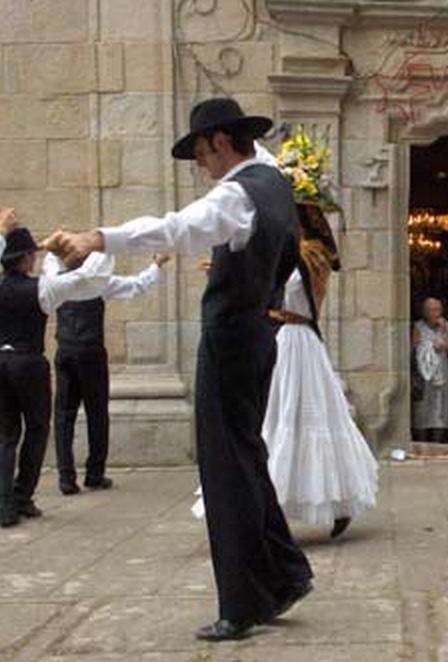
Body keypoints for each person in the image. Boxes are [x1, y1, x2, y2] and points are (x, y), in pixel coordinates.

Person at [48, 98, 313, 641]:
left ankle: (240, 605)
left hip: (234, 337)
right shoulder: (277, 182)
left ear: (218, 142)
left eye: (200, 155)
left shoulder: (239, 191)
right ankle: (284, 575)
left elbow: (178, 227)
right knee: (245, 456)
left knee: (224, 467)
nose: (201, 167)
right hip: (259, 333)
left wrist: (99, 238)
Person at [261, 202, 378, 539]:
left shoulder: (311, 256)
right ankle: (272, 504)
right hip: (281, 339)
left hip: (299, 340)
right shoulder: (286, 255)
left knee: (310, 418)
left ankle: (339, 501)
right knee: (276, 417)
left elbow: (291, 284)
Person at [0, 209, 113, 527]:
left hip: (1, 361)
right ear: (25, 261)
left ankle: (4, 504)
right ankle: (22, 497)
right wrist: (60, 250)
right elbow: (83, 281)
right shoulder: (42, 289)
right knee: (37, 428)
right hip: (28, 362)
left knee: (6, 434)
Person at [47, 252, 171, 495]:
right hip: (91, 352)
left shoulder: (56, 281)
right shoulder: (98, 283)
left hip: (65, 350)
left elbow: (51, 260)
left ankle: (66, 477)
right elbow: (137, 285)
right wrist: (155, 264)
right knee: (97, 413)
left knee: (63, 414)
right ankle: (94, 473)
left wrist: (57, 246)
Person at [412, 297, 448, 441]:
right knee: (423, 406)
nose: (436, 313)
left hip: (441, 369)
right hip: (424, 370)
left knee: (440, 405)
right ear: (425, 312)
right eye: (432, 310)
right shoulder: (418, 326)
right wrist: (429, 347)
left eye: (438, 309)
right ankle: (422, 440)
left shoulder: (445, 325)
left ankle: (438, 441)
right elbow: (413, 348)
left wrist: (444, 334)